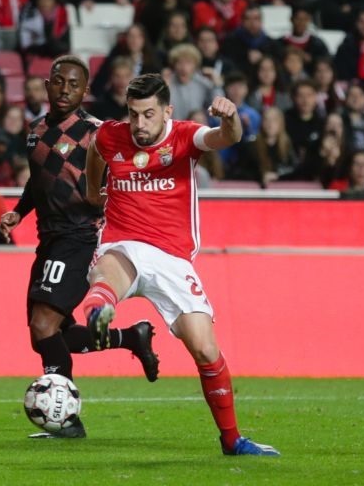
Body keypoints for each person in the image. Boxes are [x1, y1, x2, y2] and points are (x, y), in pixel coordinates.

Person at [81, 71, 279, 456]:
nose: (139, 124)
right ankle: (97, 311)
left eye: (149, 114)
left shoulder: (185, 136)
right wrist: (94, 191)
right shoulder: (110, 134)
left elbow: (227, 137)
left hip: (172, 258)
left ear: (167, 111)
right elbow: (96, 149)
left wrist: (230, 116)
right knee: (108, 272)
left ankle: (232, 440)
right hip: (124, 240)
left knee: (206, 350)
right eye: (134, 114)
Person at [0, 55, 159, 438]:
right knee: (47, 335)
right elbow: (38, 181)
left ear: (85, 90)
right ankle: (130, 337)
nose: (65, 89)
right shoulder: (36, 130)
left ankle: (66, 422)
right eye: (58, 82)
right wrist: (19, 212)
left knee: (43, 325)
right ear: (47, 85)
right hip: (49, 239)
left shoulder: (97, 133)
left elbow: (127, 175)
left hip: (80, 238)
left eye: (73, 84)